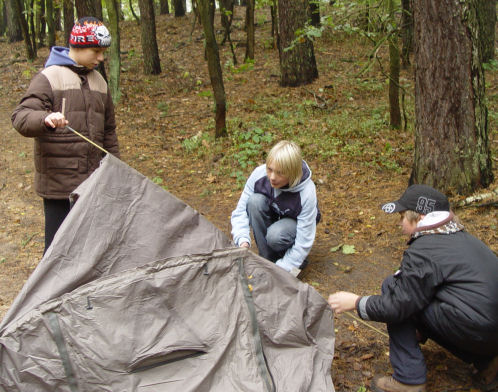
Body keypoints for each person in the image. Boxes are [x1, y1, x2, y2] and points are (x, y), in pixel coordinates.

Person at [328, 184, 498, 392]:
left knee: (393, 287)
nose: (399, 224)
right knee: (413, 295)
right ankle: (488, 361)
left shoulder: (425, 250)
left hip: (477, 329)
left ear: (419, 217)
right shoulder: (460, 237)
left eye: (402, 217)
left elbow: (397, 305)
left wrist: (355, 302)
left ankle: (409, 380)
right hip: (488, 329)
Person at [11, 17, 120, 253]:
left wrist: (115, 169)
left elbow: (108, 131)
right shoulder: (49, 77)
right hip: (59, 188)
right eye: (96, 51)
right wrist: (44, 119)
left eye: (103, 52)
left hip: (93, 186)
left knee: (91, 251)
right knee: (57, 253)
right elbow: (21, 116)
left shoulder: (100, 82)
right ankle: (51, 293)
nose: (101, 58)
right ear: (78, 46)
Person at [231, 140, 320, 275]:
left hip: (291, 226)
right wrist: (242, 240)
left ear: (292, 173)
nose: (272, 177)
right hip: (274, 215)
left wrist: (281, 270)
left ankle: (293, 262)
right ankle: (267, 259)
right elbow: (241, 211)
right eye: (270, 169)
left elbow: (304, 239)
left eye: (280, 173)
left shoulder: (306, 192)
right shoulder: (259, 175)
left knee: (275, 235)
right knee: (254, 201)